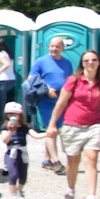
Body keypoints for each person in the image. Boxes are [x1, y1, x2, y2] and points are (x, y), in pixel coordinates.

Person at [46, 49, 100, 199]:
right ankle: (70, 189)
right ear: (82, 63)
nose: (90, 63)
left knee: (92, 159)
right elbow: (61, 103)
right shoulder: (73, 80)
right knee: (73, 161)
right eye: (87, 60)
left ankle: (91, 196)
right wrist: (52, 124)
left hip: (93, 126)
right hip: (72, 125)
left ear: (98, 62)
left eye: (94, 60)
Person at [25, 36, 74, 170]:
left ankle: (47, 160)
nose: (54, 49)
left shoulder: (67, 63)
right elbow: (31, 79)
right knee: (50, 129)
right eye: (52, 46)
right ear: (48, 47)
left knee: (55, 130)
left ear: (63, 48)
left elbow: (70, 80)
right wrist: (46, 88)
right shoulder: (40, 62)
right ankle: (56, 161)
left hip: (61, 100)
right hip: (45, 100)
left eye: (57, 46)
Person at [0, 101, 29, 199]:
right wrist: (11, 131)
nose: (12, 116)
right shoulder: (5, 127)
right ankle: (13, 196)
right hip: (11, 152)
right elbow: (4, 140)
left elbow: (34, 134)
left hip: (23, 153)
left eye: (15, 114)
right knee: (13, 173)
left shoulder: (24, 127)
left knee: (23, 176)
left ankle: (20, 190)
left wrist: (46, 134)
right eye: (10, 114)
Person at [0, 41, 17, 127]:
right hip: (11, 79)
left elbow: (7, 64)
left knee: (2, 104)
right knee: (8, 103)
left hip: (2, 80)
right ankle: (11, 122)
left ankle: (3, 124)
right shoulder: (8, 53)